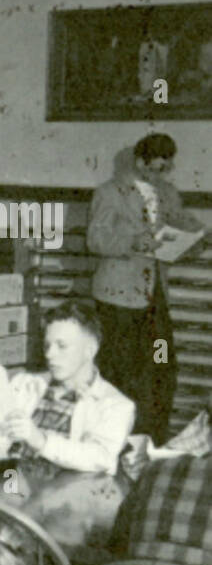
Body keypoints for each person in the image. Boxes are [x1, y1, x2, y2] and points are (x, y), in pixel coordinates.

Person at [87, 133, 206, 443]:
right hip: (118, 301)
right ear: (139, 162)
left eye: (165, 169)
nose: (160, 175)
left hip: (154, 298)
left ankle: (153, 440)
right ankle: (117, 443)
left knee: (161, 366)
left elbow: (182, 223)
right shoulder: (110, 193)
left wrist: (197, 237)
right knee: (123, 372)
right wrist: (132, 242)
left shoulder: (167, 193)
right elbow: (95, 239)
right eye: (154, 169)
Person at [1, 300, 135, 477]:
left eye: (61, 346)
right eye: (47, 345)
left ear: (90, 351)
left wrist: (40, 440)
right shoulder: (23, 384)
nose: (49, 354)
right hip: (7, 485)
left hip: (65, 499)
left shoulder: (116, 406)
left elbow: (100, 458)